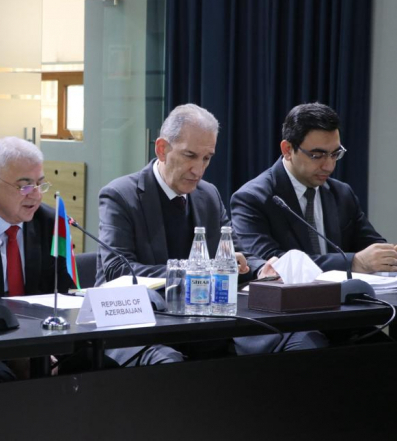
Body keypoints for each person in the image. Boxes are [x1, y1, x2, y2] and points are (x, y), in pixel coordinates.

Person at [0, 137, 181, 382]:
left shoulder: (50, 223)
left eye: (40, 183)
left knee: (106, 368)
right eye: (24, 185)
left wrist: (41, 347)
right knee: (6, 383)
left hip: (40, 341)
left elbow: (61, 296)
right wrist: (16, 351)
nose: (35, 194)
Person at [97, 103, 325, 355]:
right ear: (162, 149)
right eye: (190, 156)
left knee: (304, 341)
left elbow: (235, 253)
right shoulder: (121, 195)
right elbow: (117, 270)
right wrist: (199, 272)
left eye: (207, 158)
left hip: (204, 322)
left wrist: (261, 268)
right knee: (170, 362)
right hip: (143, 324)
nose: (199, 169)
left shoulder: (208, 194)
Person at [231, 102, 397, 273]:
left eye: (335, 154)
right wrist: (352, 262)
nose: (329, 166)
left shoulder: (342, 194)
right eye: (317, 155)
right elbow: (272, 264)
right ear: (287, 150)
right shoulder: (252, 198)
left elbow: (369, 247)